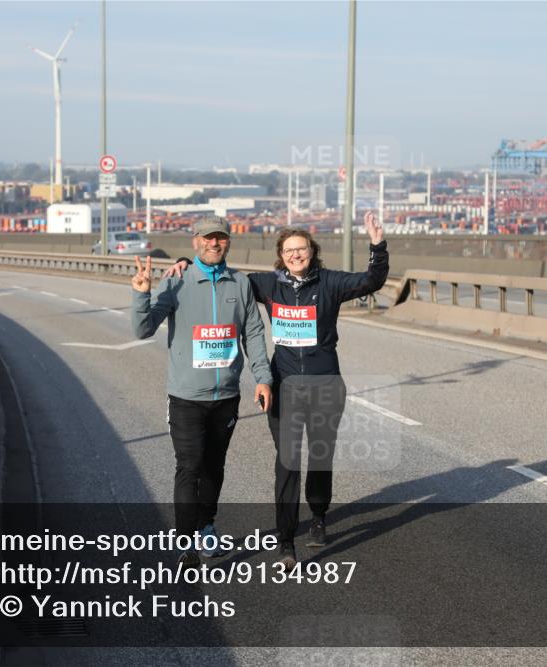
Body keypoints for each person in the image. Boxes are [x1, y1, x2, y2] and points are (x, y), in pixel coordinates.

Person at [165, 211, 389, 569]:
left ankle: (318, 515)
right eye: (289, 250)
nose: (296, 255)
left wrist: (377, 245)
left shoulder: (330, 283)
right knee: (287, 462)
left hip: (325, 384)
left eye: (301, 249)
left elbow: (372, 281)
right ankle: (286, 542)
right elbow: (220, 274)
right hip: (284, 384)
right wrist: (184, 264)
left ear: (312, 252)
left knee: (319, 456)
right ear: (280, 256)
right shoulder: (266, 285)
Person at [131, 216, 273, 569]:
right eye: (208, 238)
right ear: (195, 242)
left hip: (225, 396)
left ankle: (206, 526)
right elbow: (142, 329)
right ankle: (184, 543)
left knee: (214, 466)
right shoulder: (176, 280)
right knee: (189, 467)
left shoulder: (239, 283)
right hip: (185, 397)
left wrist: (263, 377)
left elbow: (253, 333)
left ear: (228, 243)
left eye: (221, 239)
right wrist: (141, 293)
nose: (214, 244)